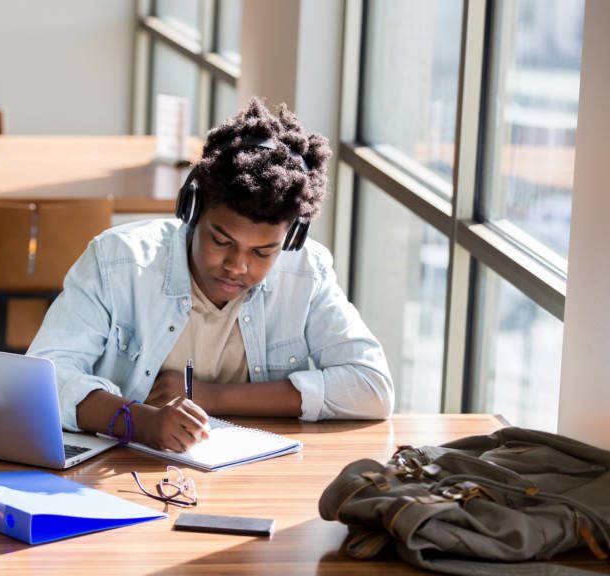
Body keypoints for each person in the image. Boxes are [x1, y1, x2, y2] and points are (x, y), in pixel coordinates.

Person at [27, 98, 393, 453]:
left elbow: (371, 387)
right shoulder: (117, 261)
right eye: (221, 240)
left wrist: (211, 395)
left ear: (291, 238)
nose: (237, 266)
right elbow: (45, 379)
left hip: (249, 477)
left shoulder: (306, 273)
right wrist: (141, 422)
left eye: (263, 252)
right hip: (126, 471)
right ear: (192, 209)